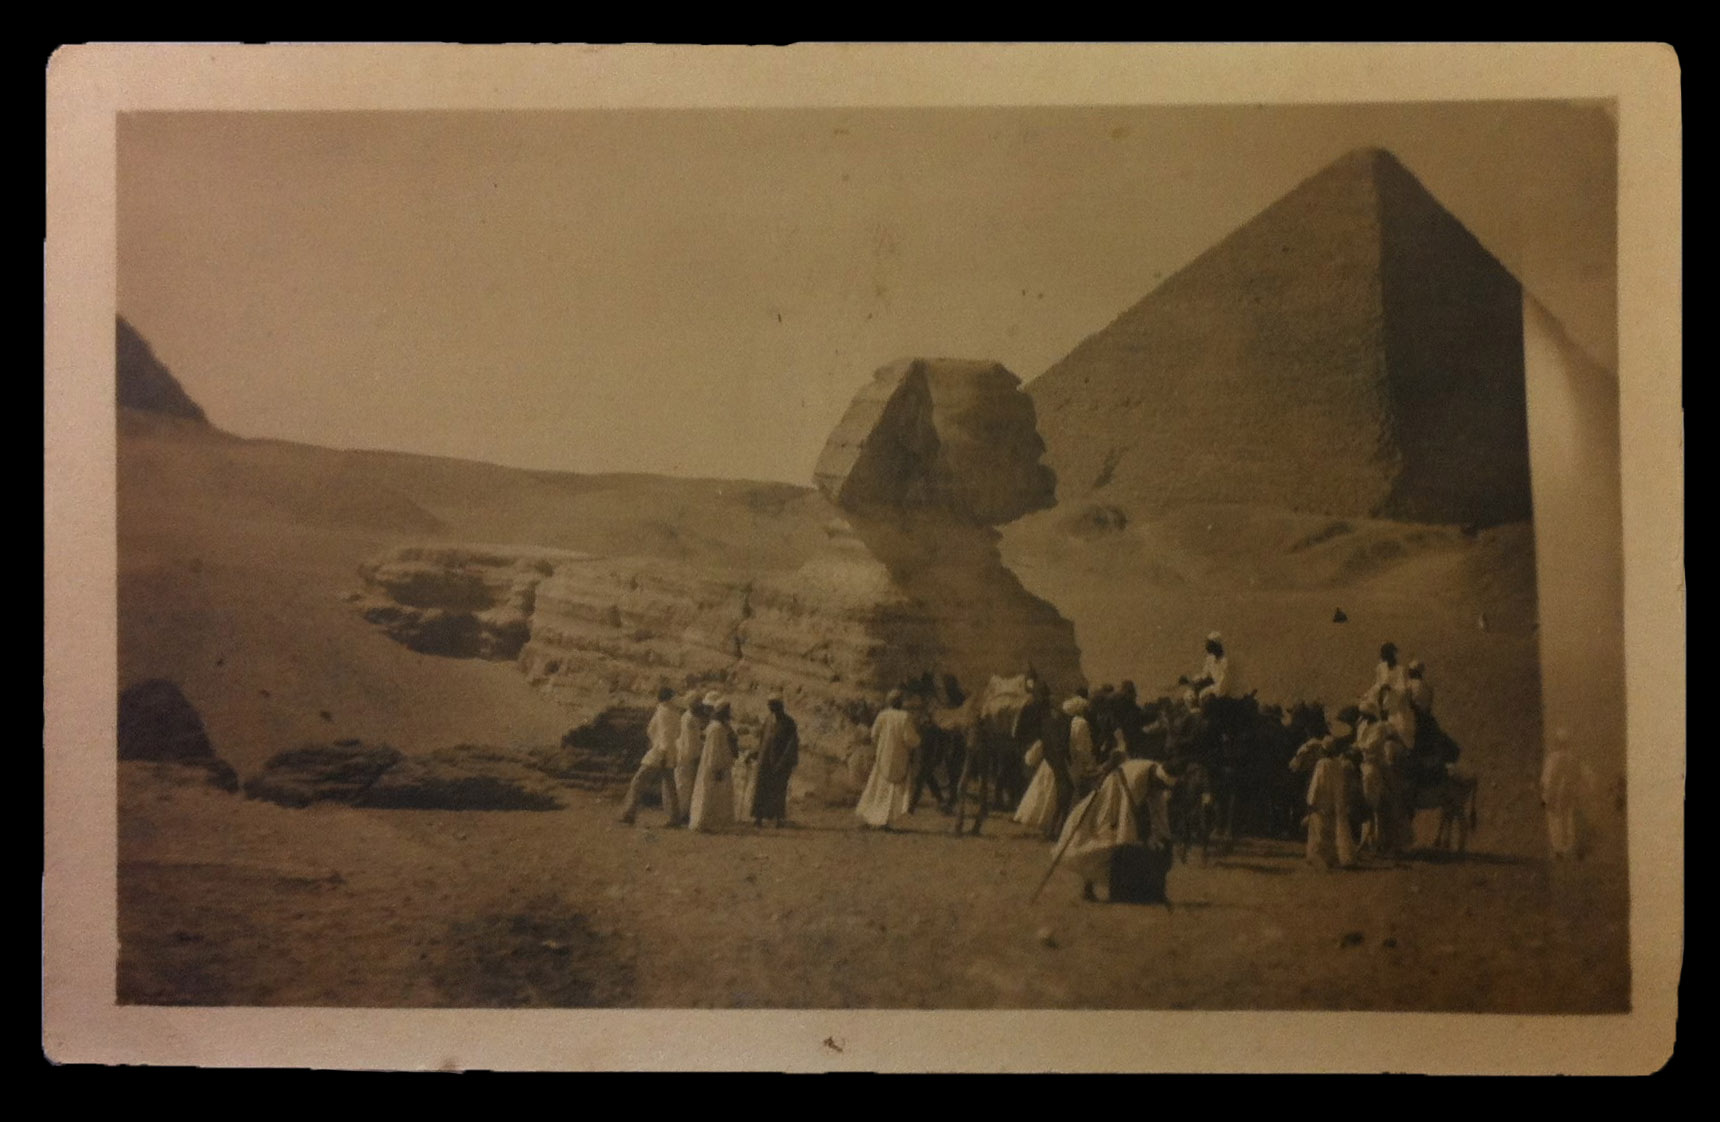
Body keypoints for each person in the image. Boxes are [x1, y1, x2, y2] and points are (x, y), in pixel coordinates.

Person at [857, 689, 921, 830]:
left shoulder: (882, 715)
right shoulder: (905, 717)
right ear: (901, 702)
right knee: (893, 791)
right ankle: (886, 821)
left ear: (889, 702)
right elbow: (910, 739)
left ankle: (872, 818)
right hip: (899, 758)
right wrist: (918, 742)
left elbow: (874, 735)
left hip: (883, 758)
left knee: (877, 788)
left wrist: (880, 747)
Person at [618, 686, 681, 826]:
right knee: (670, 786)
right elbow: (675, 733)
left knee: (638, 781)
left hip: (659, 753)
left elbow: (663, 733)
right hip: (669, 752)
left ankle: (629, 813)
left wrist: (662, 752)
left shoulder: (663, 712)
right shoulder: (674, 712)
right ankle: (675, 818)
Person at [1304, 734, 1357, 869]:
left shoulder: (1321, 764)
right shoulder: (1338, 764)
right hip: (1335, 800)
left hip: (1322, 800)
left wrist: (1311, 800)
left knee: (1319, 829)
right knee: (1333, 829)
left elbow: (1317, 783)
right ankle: (1334, 857)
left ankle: (1319, 857)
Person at [749, 693, 800, 828]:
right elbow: (762, 740)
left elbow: (792, 744)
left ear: (780, 706)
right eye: (769, 705)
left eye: (773, 705)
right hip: (765, 760)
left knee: (778, 790)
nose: (770, 708)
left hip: (780, 762)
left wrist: (784, 762)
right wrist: (755, 753)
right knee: (761, 788)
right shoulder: (768, 720)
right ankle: (758, 818)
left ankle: (779, 819)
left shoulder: (789, 722)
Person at [688, 698, 738, 833]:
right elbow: (713, 751)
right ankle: (706, 823)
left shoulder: (718, 727)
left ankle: (713, 823)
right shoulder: (716, 729)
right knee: (711, 794)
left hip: (718, 765)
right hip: (715, 766)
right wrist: (717, 768)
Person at [1541, 727, 1589, 860]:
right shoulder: (1573, 759)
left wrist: (1544, 796)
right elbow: (1583, 777)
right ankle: (1565, 848)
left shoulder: (1552, 759)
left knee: (1557, 821)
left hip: (1555, 795)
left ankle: (1559, 850)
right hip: (1567, 794)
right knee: (1567, 819)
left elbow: (1546, 779)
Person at [672, 691, 715, 826]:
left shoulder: (691, 717)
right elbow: (691, 742)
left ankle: (683, 813)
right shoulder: (689, 718)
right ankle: (681, 814)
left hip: (689, 754)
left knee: (686, 785)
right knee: (683, 786)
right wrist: (697, 754)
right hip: (686, 755)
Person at [1193, 632, 1231, 702]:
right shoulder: (1210, 659)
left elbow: (1222, 687)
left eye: (1210, 644)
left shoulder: (1225, 662)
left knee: (1205, 698)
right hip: (1213, 690)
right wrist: (1195, 680)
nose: (1207, 646)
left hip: (1222, 694)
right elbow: (1205, 675)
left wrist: (1207, 691)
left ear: (1217, 645)